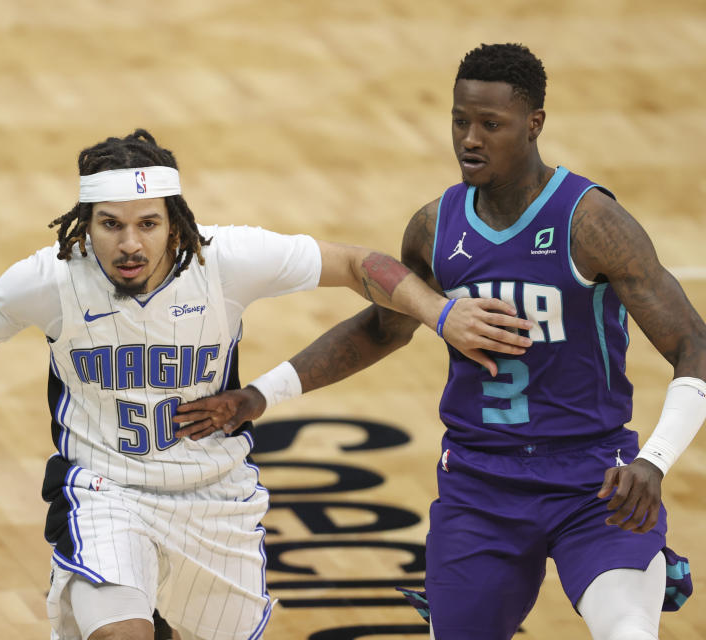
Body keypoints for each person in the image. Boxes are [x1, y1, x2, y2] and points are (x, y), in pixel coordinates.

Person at [0, 129, 530, 640]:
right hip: (106, 490)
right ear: (84, 224)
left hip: (216, 499)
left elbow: (355, 264)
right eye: (110, 225)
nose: (129, 243)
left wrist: (441, 313)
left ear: (175, 223)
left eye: (147, 224)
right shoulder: (53, 279)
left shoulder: (228, 260)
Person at [174, 45, 706, 640]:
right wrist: (259, 394)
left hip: (592, 481)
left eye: (491, 125)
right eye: (460, 121)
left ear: (534, 126)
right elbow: (382, 328)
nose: (469, 140)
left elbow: (696, 346)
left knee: (629, 631)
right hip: (480, 486)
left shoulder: (591, 222)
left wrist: (654, 461)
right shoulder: (435, 226)